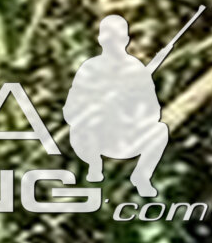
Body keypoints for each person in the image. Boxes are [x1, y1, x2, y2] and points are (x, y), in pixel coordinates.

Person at [64, 15, 167, 198]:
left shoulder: (135, 68)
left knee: (160, 130)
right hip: (97, 135)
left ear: (125, 39)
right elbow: (71, 109)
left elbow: (152, 109)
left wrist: (133, 109)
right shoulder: (90, 68)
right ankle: (94, 169)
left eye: (118, 37)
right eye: (108, 37)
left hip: (126, 133)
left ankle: (141, 175)